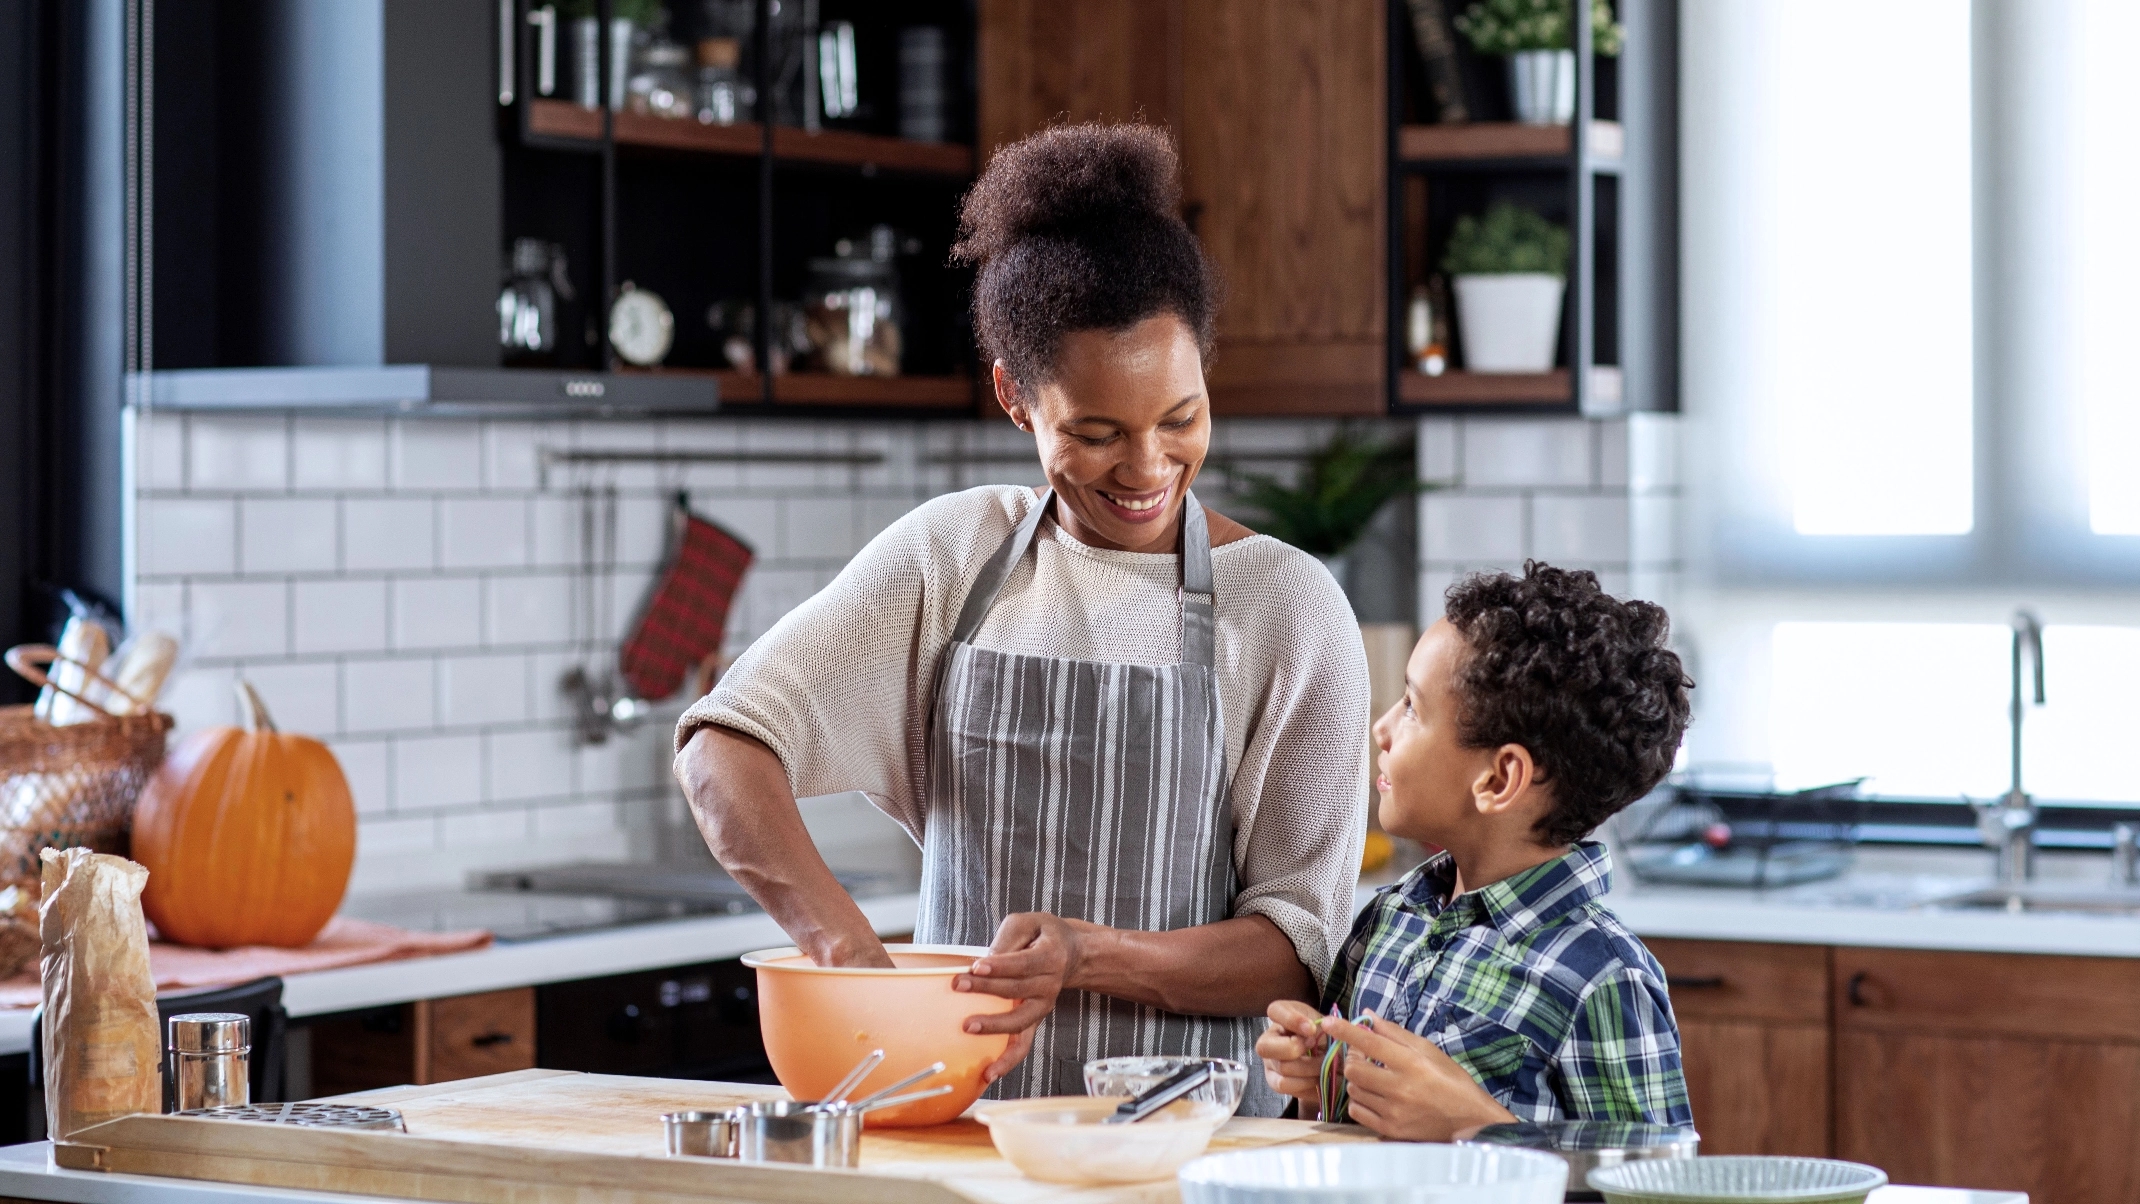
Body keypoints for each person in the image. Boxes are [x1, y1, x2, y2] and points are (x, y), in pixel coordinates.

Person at [673, 123, 1370, 1114]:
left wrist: (1087, 955)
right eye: (1094, 432)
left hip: (1191, 1152)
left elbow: (1296, 957)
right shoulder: (954, 559)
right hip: (965, 1136)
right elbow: (720, 747)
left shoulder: (1287, 607)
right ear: (1013, 397)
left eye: (1180, 416)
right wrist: (848, 953)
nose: (1147, 467)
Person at [1258, 563, 1695, 1137]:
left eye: (1413, 708)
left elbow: (1652, 1189)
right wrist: (1326, 1072)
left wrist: (1478, 1126)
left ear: (1498, 779)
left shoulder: (1604, 977)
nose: (1381, 729)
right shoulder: (1390, 918)